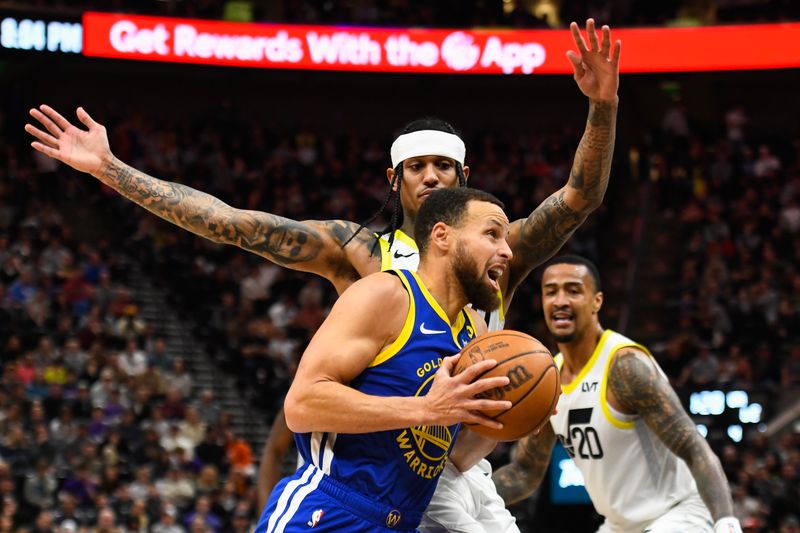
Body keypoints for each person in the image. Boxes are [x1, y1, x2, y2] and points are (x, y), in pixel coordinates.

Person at [25, 17, 619, 530]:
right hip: (372, 462)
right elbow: (229, 222)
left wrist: (602, 107)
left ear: (466, 177)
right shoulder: (358, 252)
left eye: (445, 165)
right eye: (417, 166)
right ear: (395, 179)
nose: (432, 177)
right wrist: (113, 170)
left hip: (451, 464)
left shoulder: (494, 252)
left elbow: (579, 197)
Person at [257, 187, 515, 532]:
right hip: (327, 513)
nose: (507, 251)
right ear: (442, 236)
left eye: (507, 239)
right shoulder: (387, 295)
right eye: (493, 234)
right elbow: (301, 405)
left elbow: (450, 458)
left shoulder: (476, 332)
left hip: (401, 523)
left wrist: (512, 418)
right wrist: (426, 409)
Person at [492, 255, 743, 533]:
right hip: (618, 525)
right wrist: (470, 494)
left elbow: (693, 448)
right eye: (551, 291)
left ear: (596, 301)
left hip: (677, 515)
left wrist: (726, 521)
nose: (560, 300)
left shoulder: (624, 366)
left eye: (573, 290)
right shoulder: (547, 380)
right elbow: (526, 471)